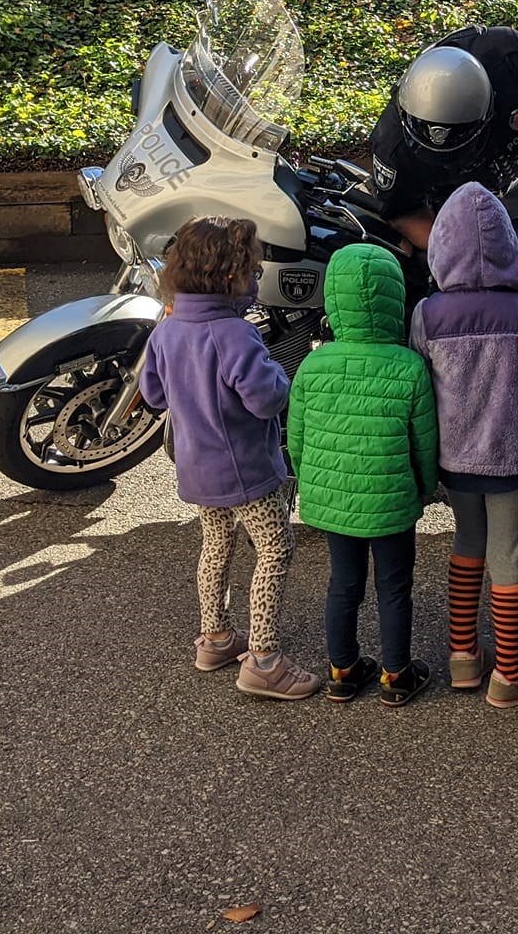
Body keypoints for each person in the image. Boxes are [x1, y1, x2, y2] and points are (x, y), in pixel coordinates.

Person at [139, 215, 320, 701]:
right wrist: (285, 377)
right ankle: (263, 659)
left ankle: (215, 636)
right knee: (275, 548)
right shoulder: (235, 334)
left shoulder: (167, 330)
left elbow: (154, 395)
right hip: (247, 469)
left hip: (197, 465)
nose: (257, 280)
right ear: (228, 278)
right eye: (253, 272)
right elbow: (266, 400)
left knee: (216, 544)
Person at [410, 182, 518, 708]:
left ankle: (462, 657)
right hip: (514, 457)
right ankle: (510, 674)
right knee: (510, 555)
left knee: (467, 544)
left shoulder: (427, 314)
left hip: (454, 460)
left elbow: (421, 385)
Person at [287, 242, 440, 707]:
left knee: (343, 583)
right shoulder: (410, 368)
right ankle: (397, 675)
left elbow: (296, 439)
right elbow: (425, 443)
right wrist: (423, 488)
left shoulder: (312, 366)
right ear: (397, 300)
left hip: (334, 500)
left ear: (334, 300)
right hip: (392, 499)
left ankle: (342, 669)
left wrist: (311, 481)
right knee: (395, 588)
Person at [369, 25, 518, 251]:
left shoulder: (513, 58)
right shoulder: (392, 147)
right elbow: (403, 213)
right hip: (448, 210)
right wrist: (461, 254)